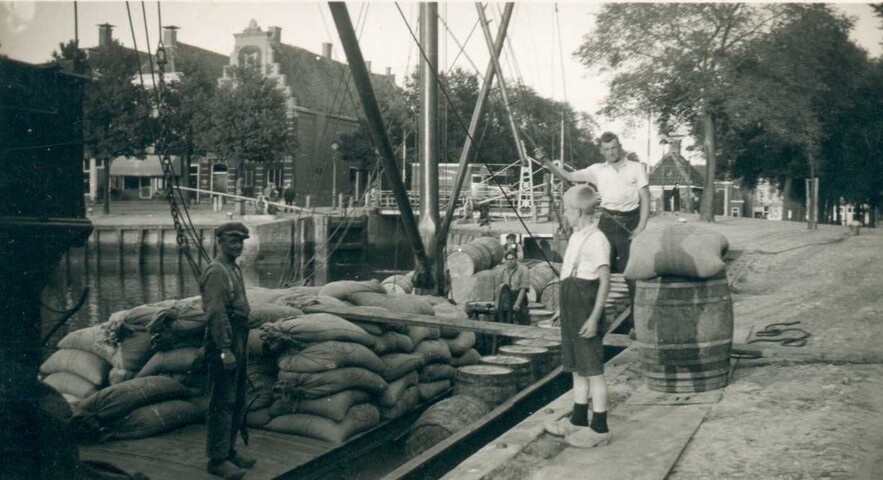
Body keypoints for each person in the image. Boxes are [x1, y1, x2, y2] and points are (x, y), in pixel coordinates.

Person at [536, 132, 649, 321]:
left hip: (630, 222)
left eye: (614, 148)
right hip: (607, 220)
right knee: (598, 269)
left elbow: (645, 199)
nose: (611, 153)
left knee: (630, 274)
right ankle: (595, 317)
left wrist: (641, 227)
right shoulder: (597, 170)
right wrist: (546, 161)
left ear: (619, 147)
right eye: (606, 150)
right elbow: (568, 176)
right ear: (602, 151)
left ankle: (635, 323)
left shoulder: (636, 168)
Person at [544, 184, 611, 449]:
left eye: (566, 210)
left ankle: (600, 427)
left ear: (579, 210)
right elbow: (569, 275)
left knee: (592, 370)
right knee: (576, 368)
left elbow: (603, 282)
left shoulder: (597, 239)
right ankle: (579, 418)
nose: (564, 215)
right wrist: (562, 308)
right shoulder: (575, 237)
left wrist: (594, 318)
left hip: (586, 309)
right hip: (571, 306)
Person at [201, 222, 256, 479]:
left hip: (239, 337)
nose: (238, 245)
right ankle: (217, 459)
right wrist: (225, 349)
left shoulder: (234, 268)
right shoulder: (217, 272)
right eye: (233, 241)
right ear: (220, 242)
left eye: (241, 241)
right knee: (221, 401)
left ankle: (230, 450)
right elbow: (215, 312)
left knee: (236, 398)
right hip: (223, 341)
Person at [494, 250, 531, 326]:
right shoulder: (501, 271)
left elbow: (523, 288)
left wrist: (517, 304)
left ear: (516, 259)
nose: (510, 261)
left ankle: (522, 334)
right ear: (505, 260)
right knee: (500, 316)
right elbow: (498, 288)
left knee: (522, 314)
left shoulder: (523, 270)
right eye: (508, 259)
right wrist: (497, 303)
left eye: (512, 259)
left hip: (519, 295)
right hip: (506, 296)